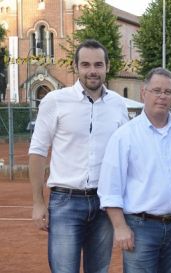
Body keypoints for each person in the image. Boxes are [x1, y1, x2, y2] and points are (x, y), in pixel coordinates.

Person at [29, 39, 129, 273]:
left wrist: (167, 119)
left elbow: (130, 144)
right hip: (65, 202)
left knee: (99, 270)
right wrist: (37, 202)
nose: (92, 71)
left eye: (98, 65)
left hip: (105, 202)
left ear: (107, 66)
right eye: (85, 65)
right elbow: (38, 151)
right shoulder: (54, 100)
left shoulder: (118, 104)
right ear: (76, 67)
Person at [98, 67, 171, 273]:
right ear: (143, 93)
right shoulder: (124, 136)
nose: (162, 96)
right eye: (156, 90)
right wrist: (120, 227)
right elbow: (110, 187)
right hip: (140, 228)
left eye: (167, 92)